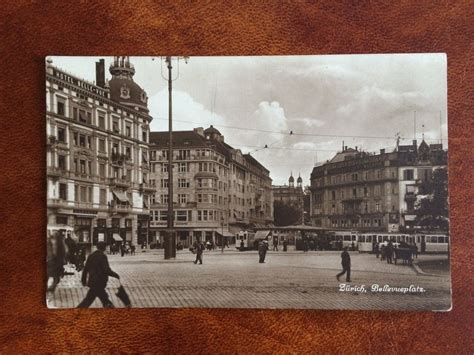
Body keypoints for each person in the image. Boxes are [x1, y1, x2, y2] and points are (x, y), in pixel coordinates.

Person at [77, 241, 120, 308]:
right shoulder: (103, 256)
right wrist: (115, 275)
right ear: (104, 248)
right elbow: (106, 270)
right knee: (94, 299)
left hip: (93, 281)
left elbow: (86, 269)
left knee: (96, 298)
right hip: (100, 282)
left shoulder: (91, 255)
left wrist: (83, 280)